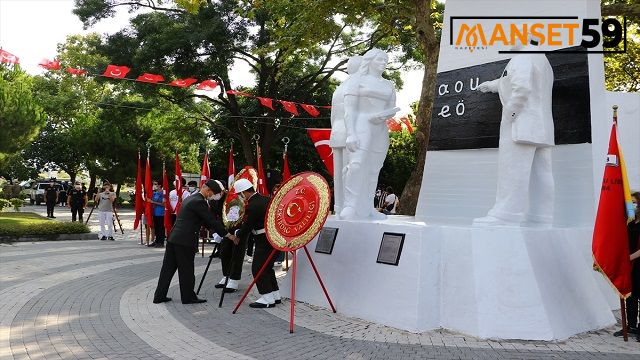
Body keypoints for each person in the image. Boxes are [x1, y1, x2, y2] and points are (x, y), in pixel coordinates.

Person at [473, 35, 555, 227]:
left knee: (512, 169)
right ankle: (541, 217)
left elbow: (522, 88)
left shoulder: (521, 57)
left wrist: (510, 114)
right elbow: (515, 81)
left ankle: (505, 214)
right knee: (541, 174)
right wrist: (492, 85)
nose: (508, 41)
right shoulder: (542, 60)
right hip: (542, 128)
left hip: (520, 125)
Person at [153, 179, 235, 304]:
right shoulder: (199, 202)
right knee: (186, 270)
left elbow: (202, 220)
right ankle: (188, 297)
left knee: (167, 269)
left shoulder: (191, 198)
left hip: (174, 238)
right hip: (185, 240)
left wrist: (215, 233)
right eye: (213, 194)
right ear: (208, 190)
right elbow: (210, 220)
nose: (213, 197)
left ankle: (159, 295)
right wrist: (227, 234)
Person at [340, 48, 400, 220]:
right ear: (370, 61)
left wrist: (386, 115)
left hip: (380, 128)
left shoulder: (388, 84)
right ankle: (350, 205)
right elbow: (349, 110)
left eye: (385, 60)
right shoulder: (356, 81)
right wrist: (351, 133)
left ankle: (367, 207)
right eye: (380, 60)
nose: (383, 63)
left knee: (374, 170)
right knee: (357, 165)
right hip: (361, 125)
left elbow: (391, 108)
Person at [233, 178, 280, 308]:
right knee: (267, 267)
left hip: (263, 240)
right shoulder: (267, 199)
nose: (239, 197)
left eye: (239, 194)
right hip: (273, 238)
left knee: (258, 268)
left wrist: (237, 233)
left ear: (244, 192)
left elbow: (248, 226)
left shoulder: (253, 205)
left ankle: (267, 298)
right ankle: (275, 295)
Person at [330, 55, 363, 215]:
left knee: (339, 175)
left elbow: (333, 115)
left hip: (337, 132)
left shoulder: (339, 88)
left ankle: (339, 207)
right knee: (352, 172)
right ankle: (352, 208)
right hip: (353, 133)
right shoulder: (358, 84)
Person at [206, 180, 246, 293]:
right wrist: (214, 232)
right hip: (223, 230)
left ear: (222, 191)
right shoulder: (213, 201)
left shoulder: (233, 198)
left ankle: (234, 280)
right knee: (224, 253)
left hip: (237, 229)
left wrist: (238, 232)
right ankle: (226, 275)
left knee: (236, 254)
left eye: (215, 193)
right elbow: (212, 217)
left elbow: (241, 214)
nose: (213, 196)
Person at [615, 191, 640, 339]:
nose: (633, 205)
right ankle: (631, 326)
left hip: (636, 262)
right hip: (629, 264)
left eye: (635, 202)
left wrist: (629, 257)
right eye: (631, 203)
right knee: (631, 296)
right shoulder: (630, 222)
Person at [146, 181, 166, 248]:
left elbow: (164, 204)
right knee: (156, 228)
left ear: (160, 185)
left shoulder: (163, 193)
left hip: (161, 213)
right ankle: (157, 241)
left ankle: (161, 242)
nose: (154, 185)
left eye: (156, 184)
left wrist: (152, 202)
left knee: (161, 228)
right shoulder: (154, 193)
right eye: (153, 184)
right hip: (154, 213)